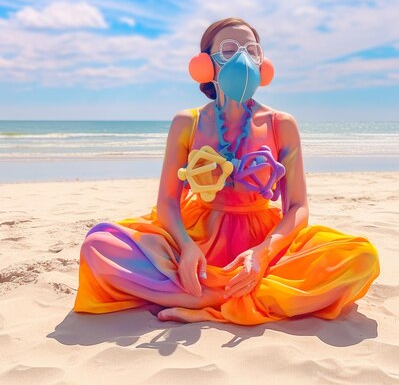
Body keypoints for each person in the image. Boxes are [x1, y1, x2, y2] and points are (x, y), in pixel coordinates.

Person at [73, 17, 380, 324]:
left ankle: (208, 298)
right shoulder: (187, 122)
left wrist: (261, 255)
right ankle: (226, 296)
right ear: (206, 65)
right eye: (229, 49)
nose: (242, 58)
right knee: (98, 245)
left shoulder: (281, 124)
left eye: (251, 49)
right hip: (195, 235)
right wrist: (187, 249)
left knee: (361, 258)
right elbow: (167, 201)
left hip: (262, 239)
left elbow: (298, 208)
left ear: (263, 63)